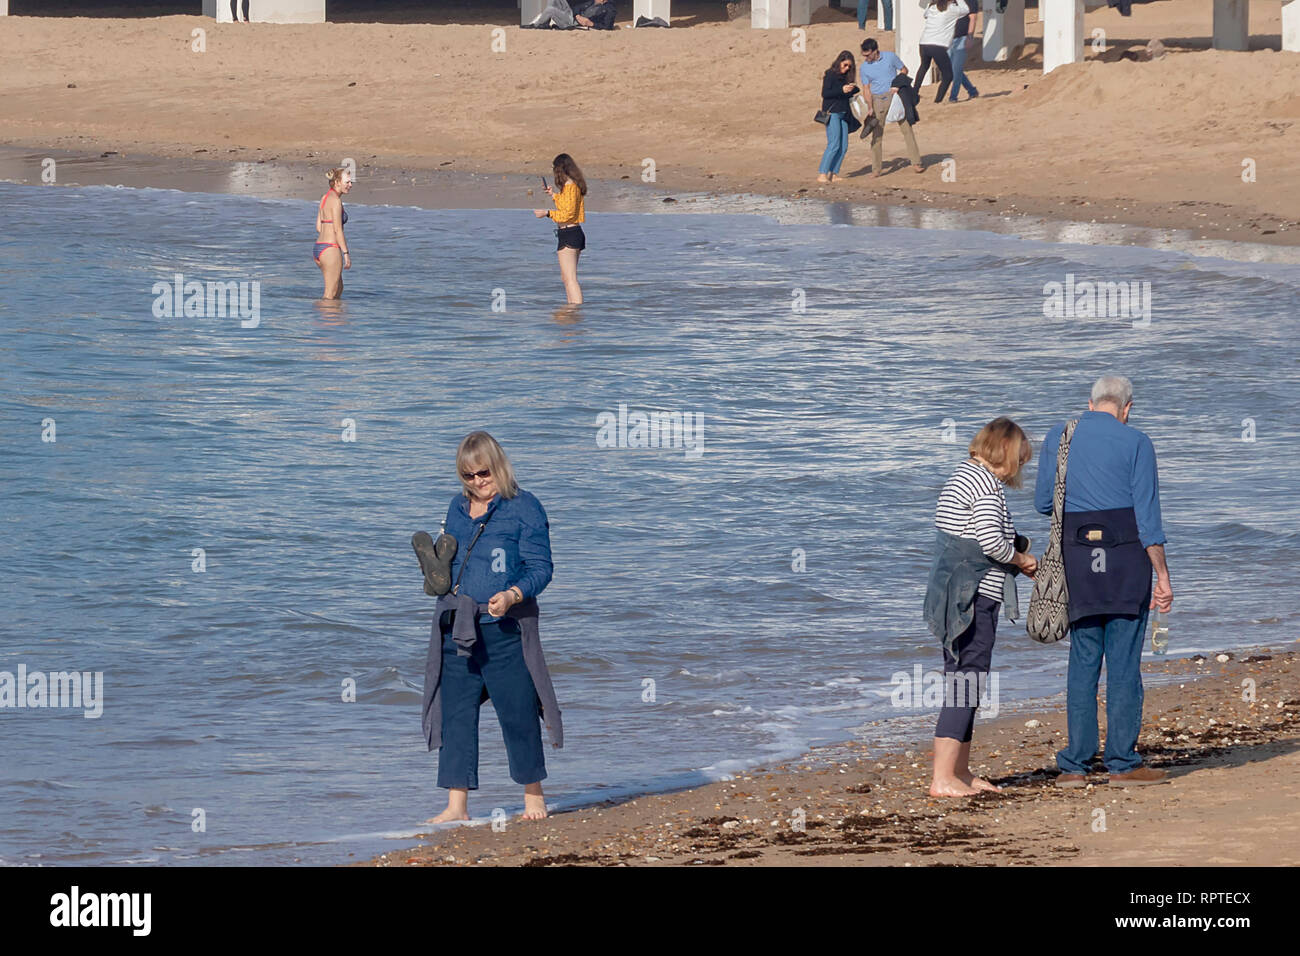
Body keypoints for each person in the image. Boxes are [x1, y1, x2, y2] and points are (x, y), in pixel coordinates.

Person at [415, 431, 561, 822]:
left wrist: (512, 594)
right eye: (468, 476)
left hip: (504, 626)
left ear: (498, 466)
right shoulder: (457, 509)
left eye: (483, 472)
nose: (477, 482)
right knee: (456, 713)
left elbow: (541, 568)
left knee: (517, 710)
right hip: (456, 622)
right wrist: (436, 578)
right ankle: (456, 805)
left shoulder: (524, 507)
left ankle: (534, 795)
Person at [1035, 375, 1173, 788]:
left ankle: (1075, 765)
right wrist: (1163, 577)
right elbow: (1148, 521)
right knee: (1124, 664)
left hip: (1078, 561)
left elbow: (1045, 503)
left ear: (1090, 403)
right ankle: (1122, 763)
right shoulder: (1137, 442)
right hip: (1127, 561)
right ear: (1127, 407)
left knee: (1083, 660)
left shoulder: (1059, 436)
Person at [924, 419, 1037, 797]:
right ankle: (943, 778)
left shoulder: (962, 475)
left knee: (963, 678)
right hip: (974, 596)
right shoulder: (986, 486)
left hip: (950, 592)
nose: (1018, 469)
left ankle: (960, 771)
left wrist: (1014, 546)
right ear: (1004, 453)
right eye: (1019, 459)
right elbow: (991, 543)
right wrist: (1021, 559)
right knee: (966, 681)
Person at [859, 38, 923, 176]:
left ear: (875, 51)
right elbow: (866, 88)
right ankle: (876, 169)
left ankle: (916, 162)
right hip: (877, 100)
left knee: (907, 129)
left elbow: (904, 70)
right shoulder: (864, 67)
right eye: (863, 55)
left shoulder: (890, 57)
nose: (866, 58)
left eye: (868, 54)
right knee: (877, 134)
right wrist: (869, 106)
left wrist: (897, 84)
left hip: (895, 96)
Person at [533, 153, 587, 305]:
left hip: (570, 234)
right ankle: (572, 310)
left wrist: (547, 213)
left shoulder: (571, 187)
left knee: (570, 278)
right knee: (567, 278)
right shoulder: (571, 186)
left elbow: (568, 214)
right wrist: (553, 195)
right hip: (569, 233)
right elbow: (566, 207)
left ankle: (575, 310)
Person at [817, 51, 861, 184]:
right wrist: (842, 90)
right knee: (834, 144)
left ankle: (833, 173)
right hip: (833, 113)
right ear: (840, 61)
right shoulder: (830, 74)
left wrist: (851, 88)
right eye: (845, 65)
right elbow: (825, 93)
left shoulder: (847, 77)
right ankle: (822, 173)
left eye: (849, 67)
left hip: (844, 114)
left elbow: (853, 92)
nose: (847, 68)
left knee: (844, 146)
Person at [914, 0, 969, 105]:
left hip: (924, 42)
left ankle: (914, 92)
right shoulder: (952, 9)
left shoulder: (932, 7)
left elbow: (925, 15)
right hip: (938, 45)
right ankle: (938, 101)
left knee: (924, 67)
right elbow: (966, 10)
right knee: (948, 75)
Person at [313, 167, 352, 300]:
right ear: (337, 182)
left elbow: (318, 226)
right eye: (347, 182)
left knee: (339, 288)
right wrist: (346, 253)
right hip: (330, 249)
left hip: (319, 248)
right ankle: (323, 319)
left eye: (350, 182)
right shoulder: (336, 201)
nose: (350, 185)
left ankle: (334, 318)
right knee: (329, 295)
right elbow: (337, 230)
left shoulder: (324, 198)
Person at [948, 0, 980, 101]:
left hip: (962, 38)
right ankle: (972, 90)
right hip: (948, 38)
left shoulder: (970, 1)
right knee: (952, 70)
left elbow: (973, 18)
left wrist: (970, 36)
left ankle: (953, 96)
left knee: (956, 69)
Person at [525, 0, 617, 30]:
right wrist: (577, 15)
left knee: (551, 10)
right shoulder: (593, 2)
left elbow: (608, 26)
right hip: (573, 16)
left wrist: (591, 23)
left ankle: (536, 25)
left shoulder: (609, 9)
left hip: (573, 23)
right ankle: (544, 23)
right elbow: (577, 7)